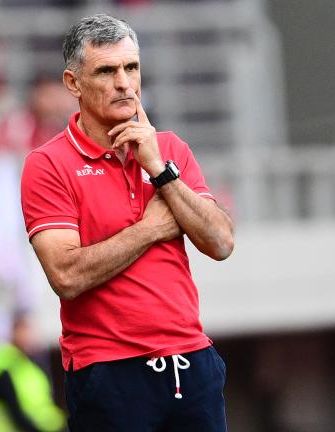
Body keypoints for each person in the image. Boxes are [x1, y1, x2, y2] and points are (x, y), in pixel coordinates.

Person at [20, 14, 234, 432]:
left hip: (191, 360)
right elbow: (66, 274)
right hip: (109, 370)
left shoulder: (170, 149)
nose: (124, 83)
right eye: (106, 71)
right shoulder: (48, 164)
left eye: (131, 67)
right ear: (73, 83)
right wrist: (152, 228)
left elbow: (221, 242)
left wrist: (159, 170)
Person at [0, 313, 66, 432]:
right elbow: (16, 414)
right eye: (24, 330)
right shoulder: (0, 364)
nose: (29, 336)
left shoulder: (28, 366)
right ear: (13, 332)